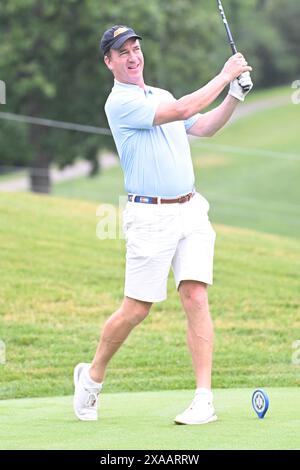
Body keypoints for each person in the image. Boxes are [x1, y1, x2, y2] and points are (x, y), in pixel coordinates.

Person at [73, 25, 253, 424]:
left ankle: (203, 398)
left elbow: (201, 125)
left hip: (191, 209)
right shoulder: (119, 103)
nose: (133, 56)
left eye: (136, 48)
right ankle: (92, 376)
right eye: (123, 53)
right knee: (137, 309)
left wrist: (234, 96)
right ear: (109, 62)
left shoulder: (162, 95)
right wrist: (224, 75)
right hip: (149, 215)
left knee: (195, 295)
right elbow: (186, 110)